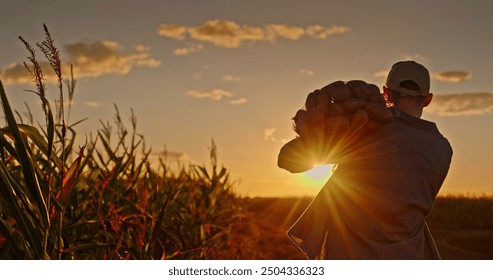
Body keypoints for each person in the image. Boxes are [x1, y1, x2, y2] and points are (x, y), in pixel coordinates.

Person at [278, 61, 453, 259]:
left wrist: (320, 131)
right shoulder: (442, 149)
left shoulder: (366, 127)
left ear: (386, 93)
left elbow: (286, 160)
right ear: (428, 99)